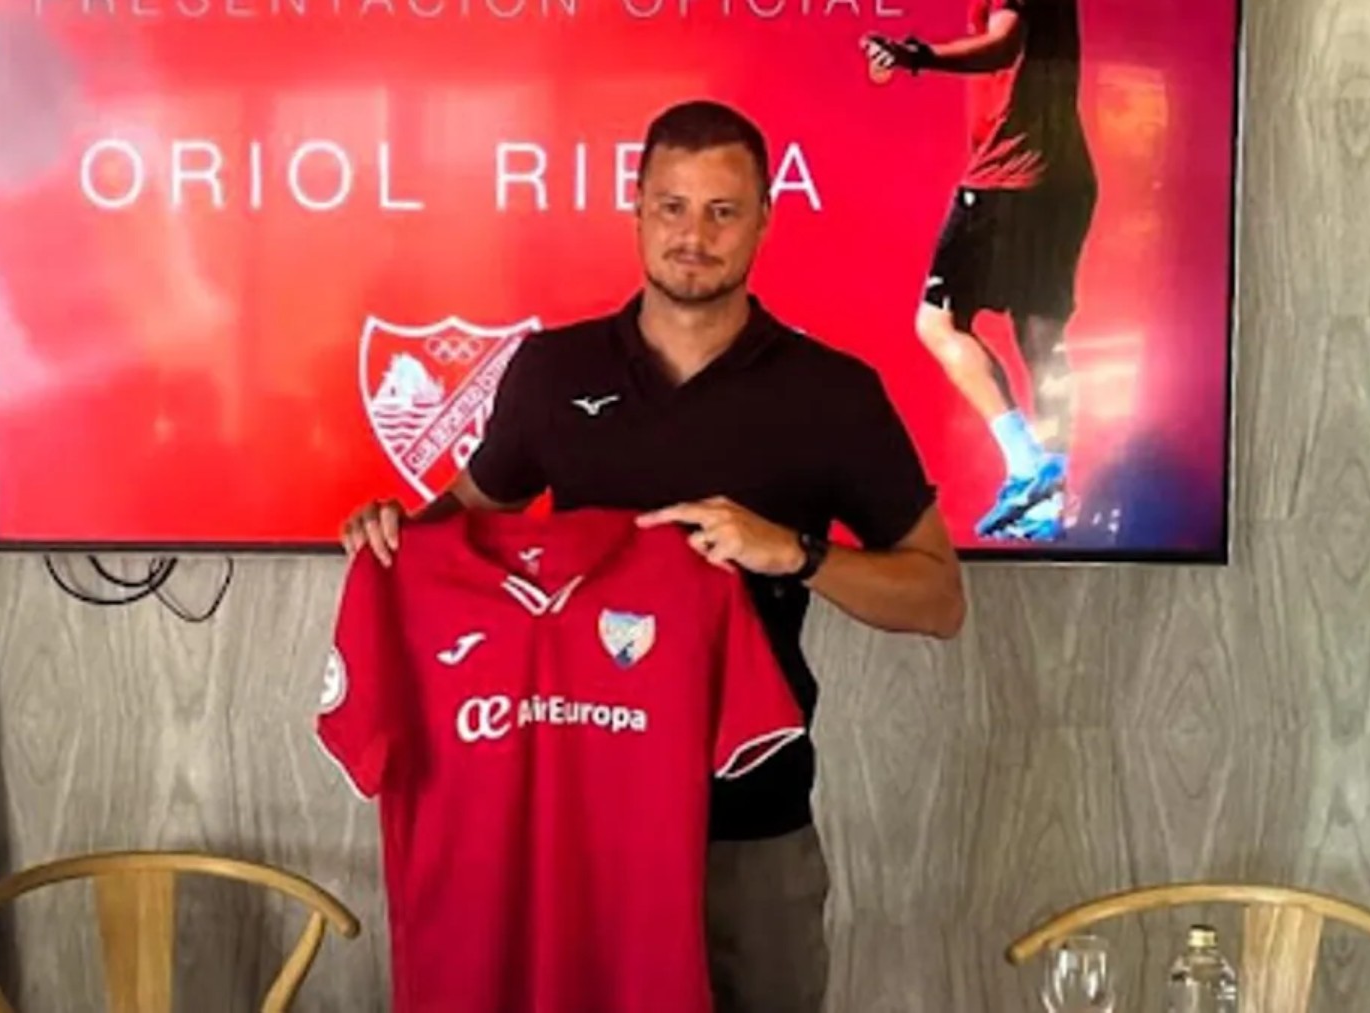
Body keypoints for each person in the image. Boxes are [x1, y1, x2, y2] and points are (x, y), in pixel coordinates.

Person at [339, 99, 965, 1013]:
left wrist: (791, 552)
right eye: (672, 206)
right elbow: (464, 524)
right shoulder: (552, 371)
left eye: (723, 210)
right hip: (587, 825)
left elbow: (940, 599)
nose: (694, 236)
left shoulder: (832, 392)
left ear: (765, 219)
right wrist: (390, 536)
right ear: (636, 209)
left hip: (748, 828)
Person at [862, 0, 1096, 541]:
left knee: (936, 323)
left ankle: (1027, 466)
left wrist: (915, 55)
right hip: (1063, 180)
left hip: (1010, 181)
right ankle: (1047, 501)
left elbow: (1005, 42)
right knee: (1042, 341)